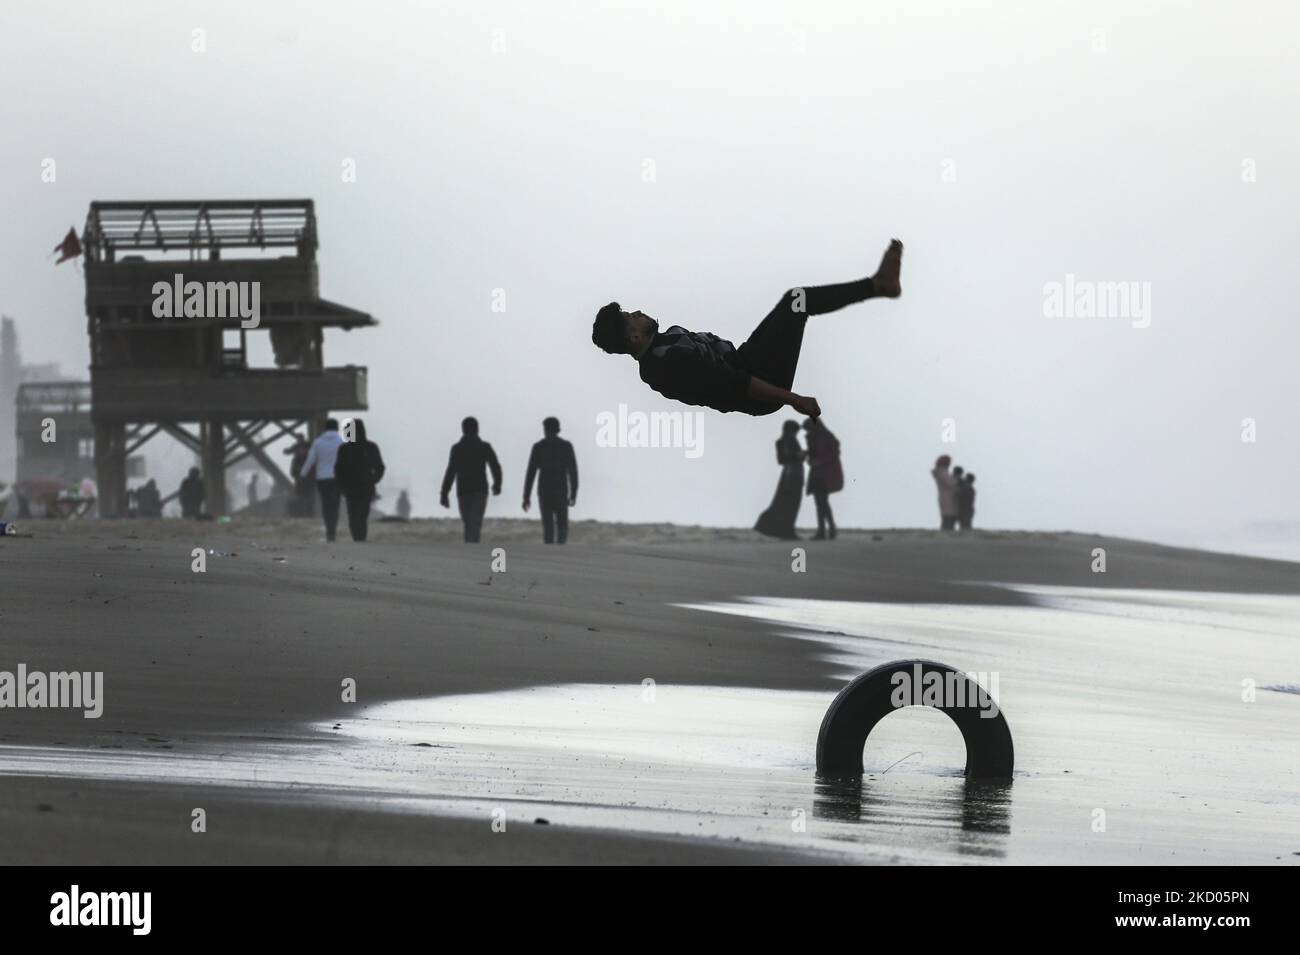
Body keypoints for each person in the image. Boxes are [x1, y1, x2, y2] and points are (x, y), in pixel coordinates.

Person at [591, 240, 903, 418]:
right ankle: (879, 286)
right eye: (632, 316)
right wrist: (793, 398)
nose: (638, 312)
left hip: (748, 360)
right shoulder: (665, 364)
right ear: (632, 336)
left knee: (796, 300)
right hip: (758, 384)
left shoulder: (663, 344)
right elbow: (736, 384)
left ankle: (879, 286)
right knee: (798, 301)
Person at [440, 417, 502, 543]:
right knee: (472, 522)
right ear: (477, 429)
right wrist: (497, 483)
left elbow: (451, 471)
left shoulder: (459, 448)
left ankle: (471, 547)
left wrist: (444, 493)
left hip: (467, 490)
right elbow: (495, 466)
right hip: (475, 490)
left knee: (471, 522)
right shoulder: (482, 447)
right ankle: (472, 547)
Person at [522, 417, 579, 544]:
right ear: (558, 429)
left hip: (544, 491)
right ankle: (561, 549)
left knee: (548, 525)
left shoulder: (539, 447)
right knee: (562, 523)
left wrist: (526, 496)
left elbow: (531, 473)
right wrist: (573, 492)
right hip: (560, 490)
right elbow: (573, 471)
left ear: (545, 429)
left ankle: (550, 549)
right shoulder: (566, 446)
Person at [334, 418, 386, 542]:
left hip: (364, 487)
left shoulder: (370, 447)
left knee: (362, 514)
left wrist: (374, 479)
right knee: (353, 515)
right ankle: (358, 538)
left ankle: (360, 537)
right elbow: (338, 469)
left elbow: (379, 467)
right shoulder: (344, 449)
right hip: (351, 488)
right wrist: (341, 486)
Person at [755, 421, 805, 540]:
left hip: (790, 474)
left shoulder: (782, 442)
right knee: (790, 503)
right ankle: (787, 531)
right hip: (791, 475)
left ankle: (784, 531)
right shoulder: (787, 441)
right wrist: (798, 455)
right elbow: (783, 460)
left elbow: (783, 459)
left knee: (784, 503)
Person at [301, 418, 344, 541]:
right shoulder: (341, 442)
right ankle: (333, 531)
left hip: (322, 479)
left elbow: (310, 461)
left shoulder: (317, 442)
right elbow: (347, 461)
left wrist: (302, 475)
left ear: (325, 428)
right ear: (337, 428)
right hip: (337, 478)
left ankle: (328, 531)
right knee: (335, 505)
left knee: (326, 505)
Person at [803, 417, 843, 540]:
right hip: (817, 474)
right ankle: (827, 529)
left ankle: (826, 530)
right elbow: (813, 454)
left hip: (825, 475)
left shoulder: (826, 437)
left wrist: (820, 462)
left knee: (822, 502)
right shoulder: (813, 437)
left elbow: (834, 453)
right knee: (820, 502)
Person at [931, 455, 959, 531]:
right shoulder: (942, 472)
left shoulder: (940, 472)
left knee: (947, 517)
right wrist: (957, 480)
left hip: (945, 497)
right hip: (948, 498)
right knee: (949, 517)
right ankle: (947, 532)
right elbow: (950, 483)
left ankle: (946, 531)